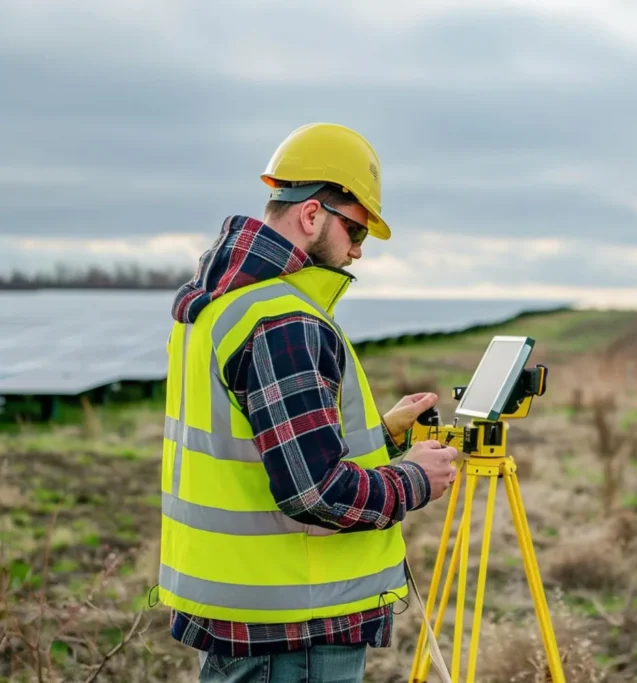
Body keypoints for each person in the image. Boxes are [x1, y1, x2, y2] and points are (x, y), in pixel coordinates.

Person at [157, 122, 459, 682]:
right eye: (355, 229)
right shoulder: (282, 319)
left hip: (252, 614)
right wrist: (415, 478)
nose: (359, 251)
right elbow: (315, 493)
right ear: (313, 215)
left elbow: (260, 445)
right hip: (294, 630)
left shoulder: (225, 305)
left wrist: (386, 435)